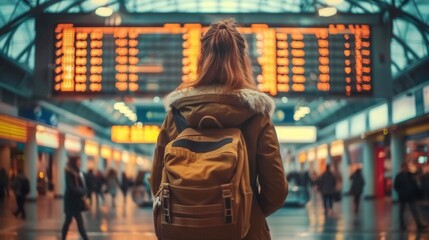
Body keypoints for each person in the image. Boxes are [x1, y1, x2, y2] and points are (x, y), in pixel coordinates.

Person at [150, 18, 288, 239]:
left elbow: (157, 180)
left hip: (185, 231)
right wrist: (245, 211)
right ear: (243, 60)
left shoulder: (176, 114)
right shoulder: (257, 114)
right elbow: (276, 190)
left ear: (202, 59)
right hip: (246, 232)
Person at [61, 156, 89, 240]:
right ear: (74, 163)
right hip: (71, 202)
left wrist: (84, 191)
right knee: (70, 222)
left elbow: (80, 185)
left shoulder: (78, 173)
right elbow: (72, 188)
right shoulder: (69, 173)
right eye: (78, 162)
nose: (80, 163)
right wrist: (83, 191)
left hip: (75, 202)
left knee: (72, 222)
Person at [394, 162, 427, 231]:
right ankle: (402, 225)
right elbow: (396, 186)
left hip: (410, 196)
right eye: (404, 167)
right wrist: (401, 192)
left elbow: (414, 183)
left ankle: (419, 225)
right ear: (401, 168)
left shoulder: (410, 175)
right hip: (403, 196)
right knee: (402, 212)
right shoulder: (399, 176)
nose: (405, 169)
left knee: (413, 210)